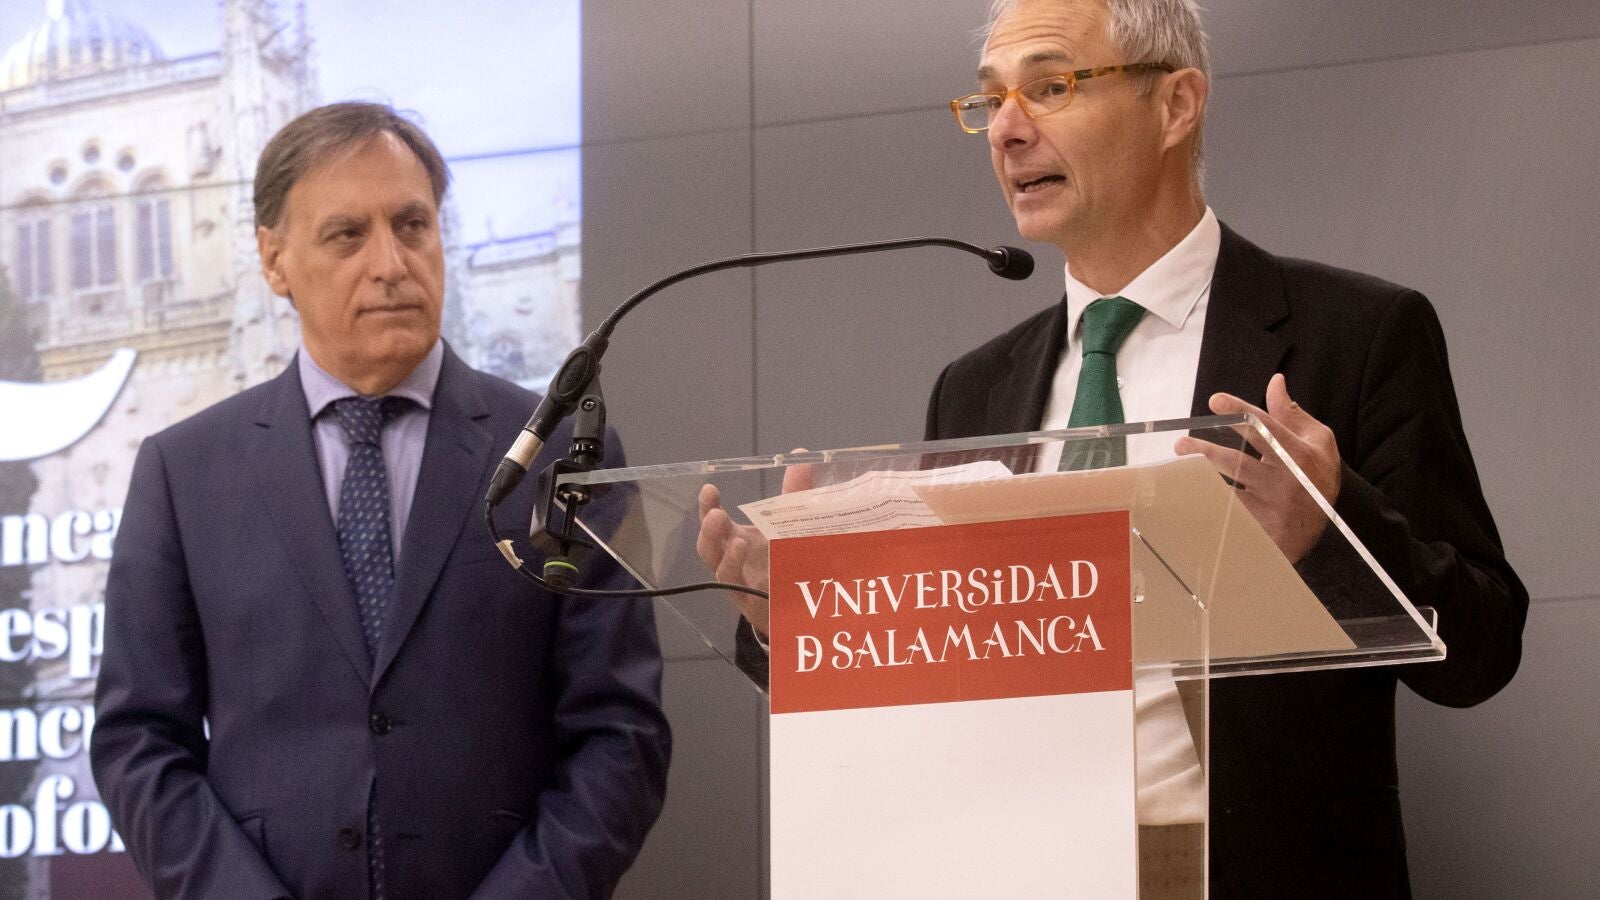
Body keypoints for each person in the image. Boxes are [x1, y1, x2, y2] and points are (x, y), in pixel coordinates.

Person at [699, 1, 1527, 896]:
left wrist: (1328, 535)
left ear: (1176, 105)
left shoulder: (1355, 336)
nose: (1007, 130)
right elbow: (945, 679)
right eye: (991, 100)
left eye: (1051, 87)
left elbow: (1481, 650)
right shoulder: (974, 390)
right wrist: (805, 627)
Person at [90, 102, 671, 900]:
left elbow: (620, 734)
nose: (391, 263)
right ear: (274, 260)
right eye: (346, 235)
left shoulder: (564, 455)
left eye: (412, 225)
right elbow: (139, 743)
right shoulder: (183, 473)